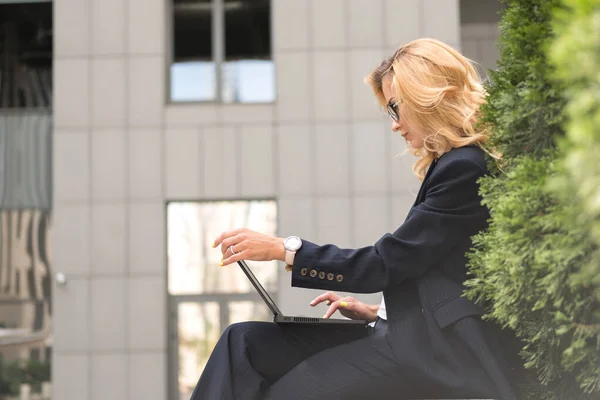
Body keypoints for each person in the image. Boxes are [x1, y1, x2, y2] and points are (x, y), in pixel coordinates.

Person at [190, 38, 522, 400]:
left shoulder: (465, 168)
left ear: (426, 97)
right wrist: (378, 311)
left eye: (396, 108)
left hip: (434, 356)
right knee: (244, 344)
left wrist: (282, 249)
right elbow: (430, 265)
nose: (395, 125)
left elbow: (386, 262)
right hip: (400, 332)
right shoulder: (453, 165)